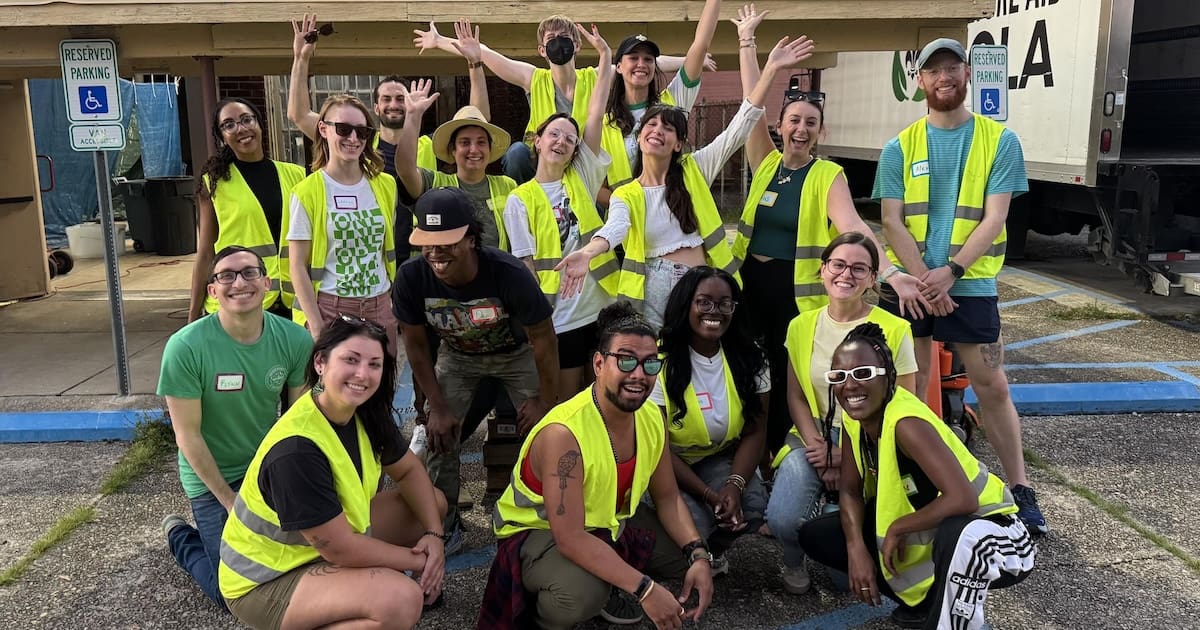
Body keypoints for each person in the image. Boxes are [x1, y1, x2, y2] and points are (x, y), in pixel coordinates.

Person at [727, 4, 928, 453]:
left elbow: (854, 227)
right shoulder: (764, 162)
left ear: (821, 131)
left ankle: (780, 454)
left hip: (794, 294)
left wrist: (892, 273)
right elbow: (750, 102)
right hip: (750, 285)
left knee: (785, 374)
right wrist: (747, 41)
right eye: (794, 120)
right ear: (780, 126)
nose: (801, 129)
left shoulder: (827, 175)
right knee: (747, 368)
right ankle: (747, 449)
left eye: (810, 124)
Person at [874, 37, 1048, 534]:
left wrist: (951, 272)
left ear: (967, 74)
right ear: (920, 81)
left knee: (991, 385)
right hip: (911, 285)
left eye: (952, 67)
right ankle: (921, 480)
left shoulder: (1000, 140)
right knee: (909, 387)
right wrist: (927, 283)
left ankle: (1020, 488)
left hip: (967, 284)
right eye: (933, 70)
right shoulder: (898, 147)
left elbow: (994, 219)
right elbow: (892, 221)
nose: (943, 77)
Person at [560, 31, 817, 331]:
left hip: (702, 284)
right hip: (653, 286)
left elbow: (740, 125)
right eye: (651, 124)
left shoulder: (695, 169)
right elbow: (616, 227)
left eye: (668, 127)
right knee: (662, 365)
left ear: (679, 143)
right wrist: (588, 251)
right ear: (639, 138)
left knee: (709, 361)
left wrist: (770, 69)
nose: (658, 130)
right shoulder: (627, 193)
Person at [480, 302, 714, 630]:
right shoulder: (564, 434)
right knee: (579, 597)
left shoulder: (650, 416)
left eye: (650, 364)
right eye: (627, 360)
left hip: (609, 521)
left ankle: (613, 569)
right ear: (599, 364)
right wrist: (645, 590)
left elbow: (668, 498)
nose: (639, 375)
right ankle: (547, 605)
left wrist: (698, 554)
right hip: (540, 531)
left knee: (692, 554)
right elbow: (571, 538)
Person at [798, 322, 1035, 629]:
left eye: (863, 374)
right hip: (944, 532)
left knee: (960, 537)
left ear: (888, 376)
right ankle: (927, 602)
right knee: (818, 535)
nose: (850, 385)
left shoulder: (906, 422)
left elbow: (963, 498)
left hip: (996, 534)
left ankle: (951, 619)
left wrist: (898, 527)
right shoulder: (855, 418)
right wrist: (857, 550)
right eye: (839, 377)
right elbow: (850, 491)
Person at [219, 315, 449, 629]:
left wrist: (434, 536)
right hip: (264, 578)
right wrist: (423, 561)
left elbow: (409, 470)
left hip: (320, 544)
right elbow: (340, 548)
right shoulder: (297, 448)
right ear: (320, 363)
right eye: (351, 360)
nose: (362, 374)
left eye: (374, 364)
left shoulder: (363, 413)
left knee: (431, 504)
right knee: (401, 599)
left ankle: (350, 592)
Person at [392, 187, 559, 545]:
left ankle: (546, 518)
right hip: (457, 356)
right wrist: (435, 406)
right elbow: (417, 348)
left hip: (515, 354)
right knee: (440, 437)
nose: (435, 253)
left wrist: (545, 399)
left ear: (471, 239)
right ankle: (443, 523)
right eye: (428, 242)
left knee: (549, 430)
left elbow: (544, 340)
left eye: (447, 242)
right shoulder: (411, 277)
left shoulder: (508, 273)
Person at [159, 245, 313, 608]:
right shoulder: (185, 347)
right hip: (211, 478)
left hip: (263, 469)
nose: (238, 282)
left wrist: (295, 481)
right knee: (232, 594)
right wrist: (231, 502)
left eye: (248, 273)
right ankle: (182, 537)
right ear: (212, 290)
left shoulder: (295, 340)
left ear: (267, 282)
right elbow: (187, 435)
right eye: (226, 275)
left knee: (295, 565)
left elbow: (297, 422)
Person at [767, 232, 917, 595]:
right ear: (822, 270)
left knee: (840, 579)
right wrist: (817, 447)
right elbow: (797, 397)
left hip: (869, 441)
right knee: (781, 518)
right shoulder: (801, 325)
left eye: (858, 268)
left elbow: (907, 405)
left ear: (871, 278)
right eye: (838, 265)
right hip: (814, 435)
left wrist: (846, 455)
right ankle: (792, 558)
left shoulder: (895, 330)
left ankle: (836, 527)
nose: (845, 274)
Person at [414, 16, 701, 183]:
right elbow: (483, 53)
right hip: (542, 161)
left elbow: (639, 64)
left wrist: (691, 61)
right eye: (552, 38)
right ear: (542, 49)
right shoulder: (533, 78)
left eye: (564, 37)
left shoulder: (595, 76)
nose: (558, 41)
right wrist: (440, 42)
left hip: (583, 163)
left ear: (577, 45)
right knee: (515, 153)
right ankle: (527, 202)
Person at [502, 24, 619, 404]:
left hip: (600, 309)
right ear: (537, 141)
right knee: (568, 403)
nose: (563, 141)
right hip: (560, 319)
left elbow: (597, 112)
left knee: (604, 400)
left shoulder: (582, 176)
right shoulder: (520, 199)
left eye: (570, 138)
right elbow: (525, 266)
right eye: (554, 134)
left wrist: (604, 58)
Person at [652, 266, 769, 574]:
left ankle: (714, 551)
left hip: (715, 457)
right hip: (664, 464)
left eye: (724, 303)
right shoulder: (659, 361)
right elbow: (658, 448)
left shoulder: (751, 357)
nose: (714, 311)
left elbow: (756, 431)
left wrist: (733, 485)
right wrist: (708, 494)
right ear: (685, 305)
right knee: (693, 528)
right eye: (703, 302)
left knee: (751, 504)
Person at [282, 94, 402, 359]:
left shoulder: (385, 185)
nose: (354, 138)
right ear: (323, 129)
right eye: (344, 129)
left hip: (380, 305)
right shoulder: (307, 192)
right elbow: (297, 266)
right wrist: (316, 326)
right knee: (335, 395)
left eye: (362, 131)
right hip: (331, 308)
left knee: (380, 392)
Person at [188, 98, 306, 323]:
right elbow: (204, 254)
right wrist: (192, 317)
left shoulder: (297, 176)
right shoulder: (214, 183)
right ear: (221, 136)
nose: (240, 128)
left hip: (291, 302)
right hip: (239, 299)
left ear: (259, 123)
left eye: (246, 120)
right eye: (229, 124)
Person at [289, 14, 447, 175]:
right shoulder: (358, 140)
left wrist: (473, 62)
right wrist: (301, 58)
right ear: (376, 108)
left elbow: (473, 120)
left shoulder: (430, 145)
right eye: (386, 99)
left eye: (400, 99)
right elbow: (299, 116)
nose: (393, 105)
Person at [600, 0, 721, 195]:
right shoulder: (605, 123)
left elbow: (701, 44)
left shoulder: (673, 101)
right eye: (633, 58)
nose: (641, 64)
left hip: (672, 212)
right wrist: (626, 206)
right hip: (627, 219)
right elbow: (595, 187)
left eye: (648, 59)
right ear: (619, 67)